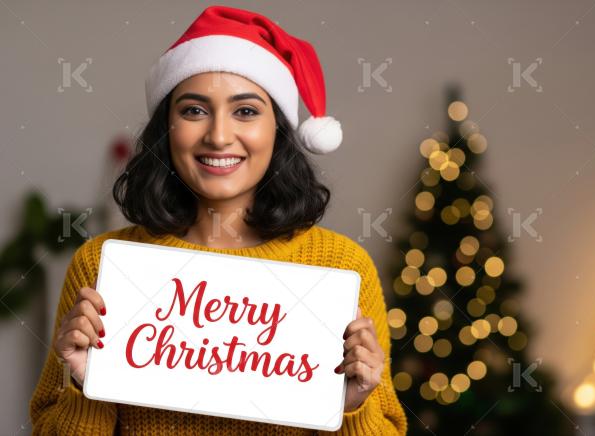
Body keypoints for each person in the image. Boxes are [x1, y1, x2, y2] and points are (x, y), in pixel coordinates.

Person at [28, 5, 407, 435]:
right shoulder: (101, 266)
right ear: (166, 128)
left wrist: (351, 406)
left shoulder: (341, 267)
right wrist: (84, 384)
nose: (219, 136)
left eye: (246, 111)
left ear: (278, 131)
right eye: (194, 110)